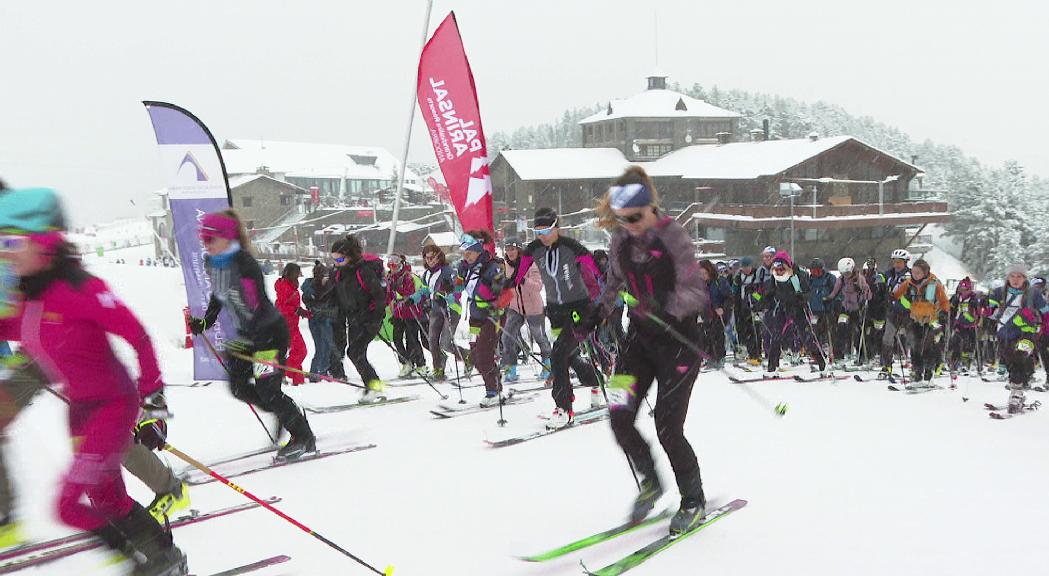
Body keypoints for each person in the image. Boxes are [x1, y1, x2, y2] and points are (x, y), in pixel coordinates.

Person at [0, 188, 187, 574]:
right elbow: (9, 325)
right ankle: (161, 558)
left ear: (45, 241)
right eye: (1, 242)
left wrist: (152, 393)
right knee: (106, 498)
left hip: (112, 406)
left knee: (67, 506)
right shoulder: (29, 299)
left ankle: (150, 560)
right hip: (81, 411)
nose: (6, 252)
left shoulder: (80, 289)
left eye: (13, 241)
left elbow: (137, 335)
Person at [584, 166, 709, 536]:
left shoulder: (673, 237)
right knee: (619, 415)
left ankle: (693, 500)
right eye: (622, 219)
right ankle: (651, 483)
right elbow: (613, 284)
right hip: (637, 343)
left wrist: (666, 306)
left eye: (636, 217)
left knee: (668, 428)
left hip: (679, 345)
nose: (630, 225)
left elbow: (694, 290)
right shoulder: (621, 238)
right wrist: (595, 314)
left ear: (650, 207)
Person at [190, 210, 315, 459]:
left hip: (268, 333)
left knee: (268, 389)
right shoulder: (212, 263)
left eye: (210, 239)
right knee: (237, 387)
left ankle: (303, 437)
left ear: (226, 237)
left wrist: (259, 349)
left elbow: (255, 306)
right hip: (247, 335)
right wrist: (205, 322)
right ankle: (284, 412)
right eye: (203, 240)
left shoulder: (245, 265)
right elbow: (219, 294)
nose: (206, 244)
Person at [513, 208, 601, 429]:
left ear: (556, 227)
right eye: (537, 230)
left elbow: (598, 270)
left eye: (546, 230)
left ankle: (563, 407)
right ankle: (595, 380)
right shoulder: (533, 250)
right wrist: (502, 288)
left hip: (580, 309)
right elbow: (517, 276)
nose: (542, 235)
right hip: (555, 312)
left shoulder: (571, 247)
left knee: (558, 353)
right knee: (569, 355)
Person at [330, 235, 387, 403]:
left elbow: (378, 297)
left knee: (354, 352)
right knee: (355, 353)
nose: (336, 263)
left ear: (350, 256)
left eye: (340, 259)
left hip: (370, 320)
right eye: (334, 259)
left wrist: (372, 318)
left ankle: (374, 387)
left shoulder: (363, 271)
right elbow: (339, 300)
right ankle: (373, 386)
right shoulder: (339, 275)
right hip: (354, 320)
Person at [985, 263, 1049, 413]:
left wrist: (1044, 326)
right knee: (1010, 361)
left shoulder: (1033, 293)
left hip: (1026, 332)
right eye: (1012, 276)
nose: (1015, 279)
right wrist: (986, 312)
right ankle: (1020, 384)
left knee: (1020, 356)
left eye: (1019, 276)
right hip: (1004, 333)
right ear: (1007, 278)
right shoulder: (999, 292)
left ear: (1024, 278)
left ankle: (1017, 392)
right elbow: (990, 310)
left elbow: (1046, 312)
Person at [453, 231, 506, 406]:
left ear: (478, 251)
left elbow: (507, 293)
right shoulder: (464, 267)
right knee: (475, 354)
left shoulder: (492, 267)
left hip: (493, 317)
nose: (466, 256)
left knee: (484, 353)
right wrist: (448, 292)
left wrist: (497, 299)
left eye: (469, 253)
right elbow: (458, 286)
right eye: (464, 253)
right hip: (475, 317)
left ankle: (493, 391)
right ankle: (495, 379)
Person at [758, 251, 828, 377]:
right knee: (776, 337)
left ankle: (822, 364)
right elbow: (769, 293)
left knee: (806, 338)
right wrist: (760, 302)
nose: (779, 272)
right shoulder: (775, 277)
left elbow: (806, 292)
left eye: (781, 269)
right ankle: (771, 369)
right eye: (776, 269)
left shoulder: (797, 275)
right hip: (783, 307)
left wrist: (801, 297)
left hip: (797, 308)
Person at [499, 238, 552, 383]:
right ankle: (512, 370)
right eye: (508, 249)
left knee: (539, 337)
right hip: (515, 307)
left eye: (513, 249)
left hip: (533, 307)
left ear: (519, 250)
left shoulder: (530, 264)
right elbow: (509, 288)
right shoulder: (507, 266)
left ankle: (548, 367)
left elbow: (538, 286)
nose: (510, 252)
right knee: (507, 337)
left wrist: (522, 279)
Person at [891, 258, 949, 384]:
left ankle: (929, 371)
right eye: (913, 272)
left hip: (932, 319)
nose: (915, 275)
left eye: (918, 273)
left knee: (928, 345)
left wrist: (944, 313)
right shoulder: (908, 283)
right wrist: (891, 299)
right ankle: (917, 371)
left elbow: (944, 301)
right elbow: (896, 294)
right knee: (914, 345)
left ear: (925, 272)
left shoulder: (934, 284)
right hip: (915, 318)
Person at [418, 245, 457, 381]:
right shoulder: (426, 274)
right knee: (432, 341)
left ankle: (468, 356)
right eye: (427, 258)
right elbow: (424, 291)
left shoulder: (447, 271)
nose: (430, 260)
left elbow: (456, 290)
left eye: (432, 257)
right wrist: (413, 299)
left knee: (445, 343)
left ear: (439, 256)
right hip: (436, 309)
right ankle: (438, 369)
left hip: (451, 310)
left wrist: (447, 293)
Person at [386, 254, 426, 378]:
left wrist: (397, 288)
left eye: (396, 262)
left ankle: (420, 364)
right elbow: (389, 295)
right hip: (398, 312)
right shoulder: (389, 277)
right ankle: (406, 362)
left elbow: (410, 294)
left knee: (412, 339)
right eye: (390, 262)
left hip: (411, 311)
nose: (392, 265)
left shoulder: (408, 276)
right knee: (397, 339)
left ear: (401, 264)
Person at [826, 257, 871, 366]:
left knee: (858, 332)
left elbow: (868, 292)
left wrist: (866, 295)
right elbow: (835, 291)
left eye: (847, 273)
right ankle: (838, 355)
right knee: (841, 327)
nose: (846, 276)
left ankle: (862, 356)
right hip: (845, 308)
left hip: (857, 308)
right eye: (843, 273)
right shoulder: (840, 279)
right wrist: (828, 298)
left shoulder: (859, 279)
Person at [301, 261, 337, 381]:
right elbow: (309, 303)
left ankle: (323, 371)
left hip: (326, 319)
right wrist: (318, 309)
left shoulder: (328, 287)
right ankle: (315, 373)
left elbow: (332, 303)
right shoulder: (309, 288)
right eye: (324, 276)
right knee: (320, 347)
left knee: (327, 347)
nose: (326, 279)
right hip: (316, 321)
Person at [274, 263, 309, 385]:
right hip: (286, 326)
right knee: (301, 351)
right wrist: (296, 310)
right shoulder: (285, 286)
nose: (299, 275)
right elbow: (281, 306)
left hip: (292, 324)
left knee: (296, 352)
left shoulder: (290, 285)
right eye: (297, 273)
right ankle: (284, 372)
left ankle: (298, 381)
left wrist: (302, 312)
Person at [880, 249, 912, 378]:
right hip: (893, 312)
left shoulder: (909, 276)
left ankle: (917, 368)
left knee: (913, 340)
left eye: (899, 262)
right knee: (887, 339)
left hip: (907, 312)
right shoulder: (889, 274)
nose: (897, 265)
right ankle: (886, 366)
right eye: (895, 262)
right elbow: (882, 280)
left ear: (905, 263)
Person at [698, 259, 730, 369]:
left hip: (719, 312)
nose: (703, 276)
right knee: (706, 336)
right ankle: (710, 358)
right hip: (706, 313)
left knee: (717, 335)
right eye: (700, 274)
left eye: (705, 273)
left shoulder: (719, 281)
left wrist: (722, 308)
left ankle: (720, 358)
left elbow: (729, 297)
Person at [732, 256, 764, 365]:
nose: (746, 269)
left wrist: (753, 293)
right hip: (742, 308)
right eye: (744, 267)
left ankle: (757, 353)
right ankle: (751, 354)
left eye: (748, 267)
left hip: (754, 307)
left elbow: (760, 296)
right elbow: (734, 292)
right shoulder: (738, 277)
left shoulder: (756, 275)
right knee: (745, 331)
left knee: (755, 331)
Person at [947, 277, 980, 375]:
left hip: (971, 325)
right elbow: (951, 309)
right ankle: (954, 363)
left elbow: (979, 312)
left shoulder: (974, 299)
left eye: (966, 290)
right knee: (955, 343)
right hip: (959, 324)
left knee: (968, 344)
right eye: (961, 289)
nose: (963, 292)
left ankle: (967, 363)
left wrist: (977, 319)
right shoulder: (956, 297)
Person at [861, 258, 888, 367]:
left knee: (878, 333)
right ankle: (866, 355)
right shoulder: (864, 278)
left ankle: (880, 356)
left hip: (879, 310)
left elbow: (881, 292)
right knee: (866, 333)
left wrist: (881, 303)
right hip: (868, 309)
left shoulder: (879, 276)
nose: (867, 271)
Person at [806, 258, 836, 357]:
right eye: (813, 271)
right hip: (814, 310)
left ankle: (831, 351)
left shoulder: (829, 278)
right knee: (814, 331)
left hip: (826, 309)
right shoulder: (810, 280)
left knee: (827, 331)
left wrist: (830, 300)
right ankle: (816, 352)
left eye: (817, 271)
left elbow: (836, 292)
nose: (815, 273)